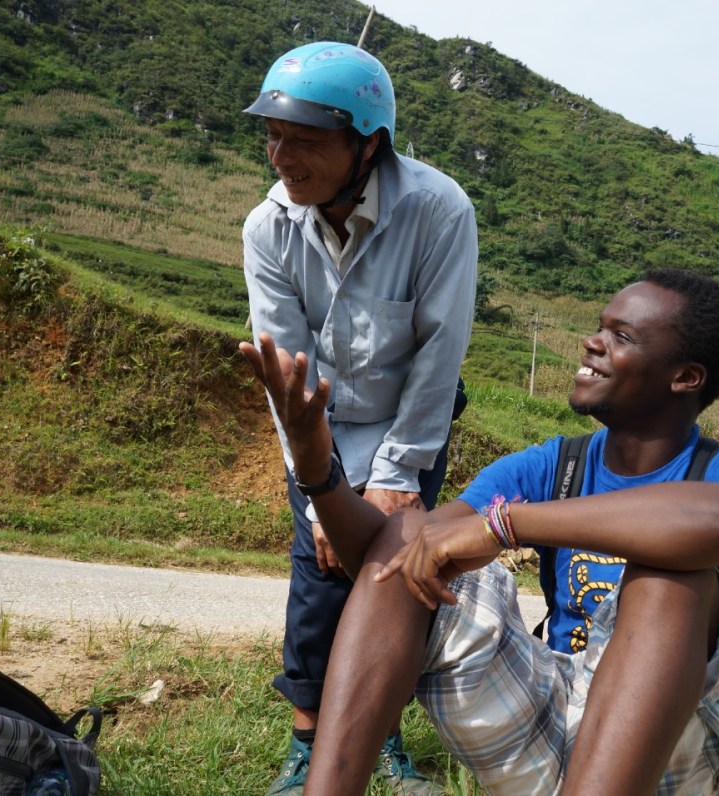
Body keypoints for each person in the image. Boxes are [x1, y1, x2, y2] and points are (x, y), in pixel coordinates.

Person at [239, 267, 719, 794]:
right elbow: (390, 559)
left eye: (622, 336)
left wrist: (506, 526)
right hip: (555, 722)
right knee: (412, 532)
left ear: (685, 377)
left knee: (670, 576)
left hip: (680, 758)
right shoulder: (554, 465)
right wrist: (319, 474)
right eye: (599, 328)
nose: (592, 343)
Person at [241, 40, 477, 794]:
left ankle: (381, 736)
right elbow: (287, 373)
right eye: (274, 135)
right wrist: (319, 484)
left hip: (411, 422)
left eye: (305, 140)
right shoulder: (268, 228)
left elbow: (440, 355)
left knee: (397, 574)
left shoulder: (438, 211)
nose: (282, 156)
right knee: (319, 576)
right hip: (317, 426)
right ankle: (308, 745)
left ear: (368, 143)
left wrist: (398, 475)